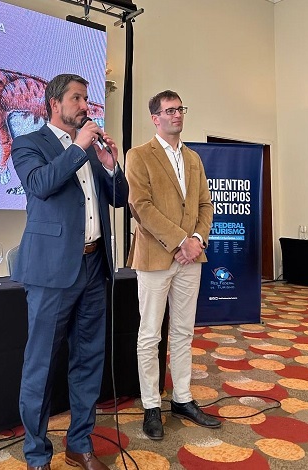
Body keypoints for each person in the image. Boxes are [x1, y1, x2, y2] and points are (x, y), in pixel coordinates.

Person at [10, 73, 129, 470]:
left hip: (94, 266)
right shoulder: (29, 144)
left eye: (86, 98)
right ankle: (36, 455)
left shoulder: (92, 151)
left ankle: (79, 444)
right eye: (77, 98)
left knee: (89, 360)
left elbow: (119, 199)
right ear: (54, 104)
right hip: (51, 272)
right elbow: (40, 184)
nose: (84, 105)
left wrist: (112, 167)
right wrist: (78, 148)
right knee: (41, 364)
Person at [125, 90, 221, 440]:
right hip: (154, 257)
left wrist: (196, 241)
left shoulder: (194, 158)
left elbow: (205, 205)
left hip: (192, 258)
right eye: (169, 110)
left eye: (180, 109)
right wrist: (182, 241)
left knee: (183, 331)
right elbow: (141, 206)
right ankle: (151, 405)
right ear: (155, 118)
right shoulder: (138, 155)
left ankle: (182, 398)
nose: (177, 114)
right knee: (150, 334)